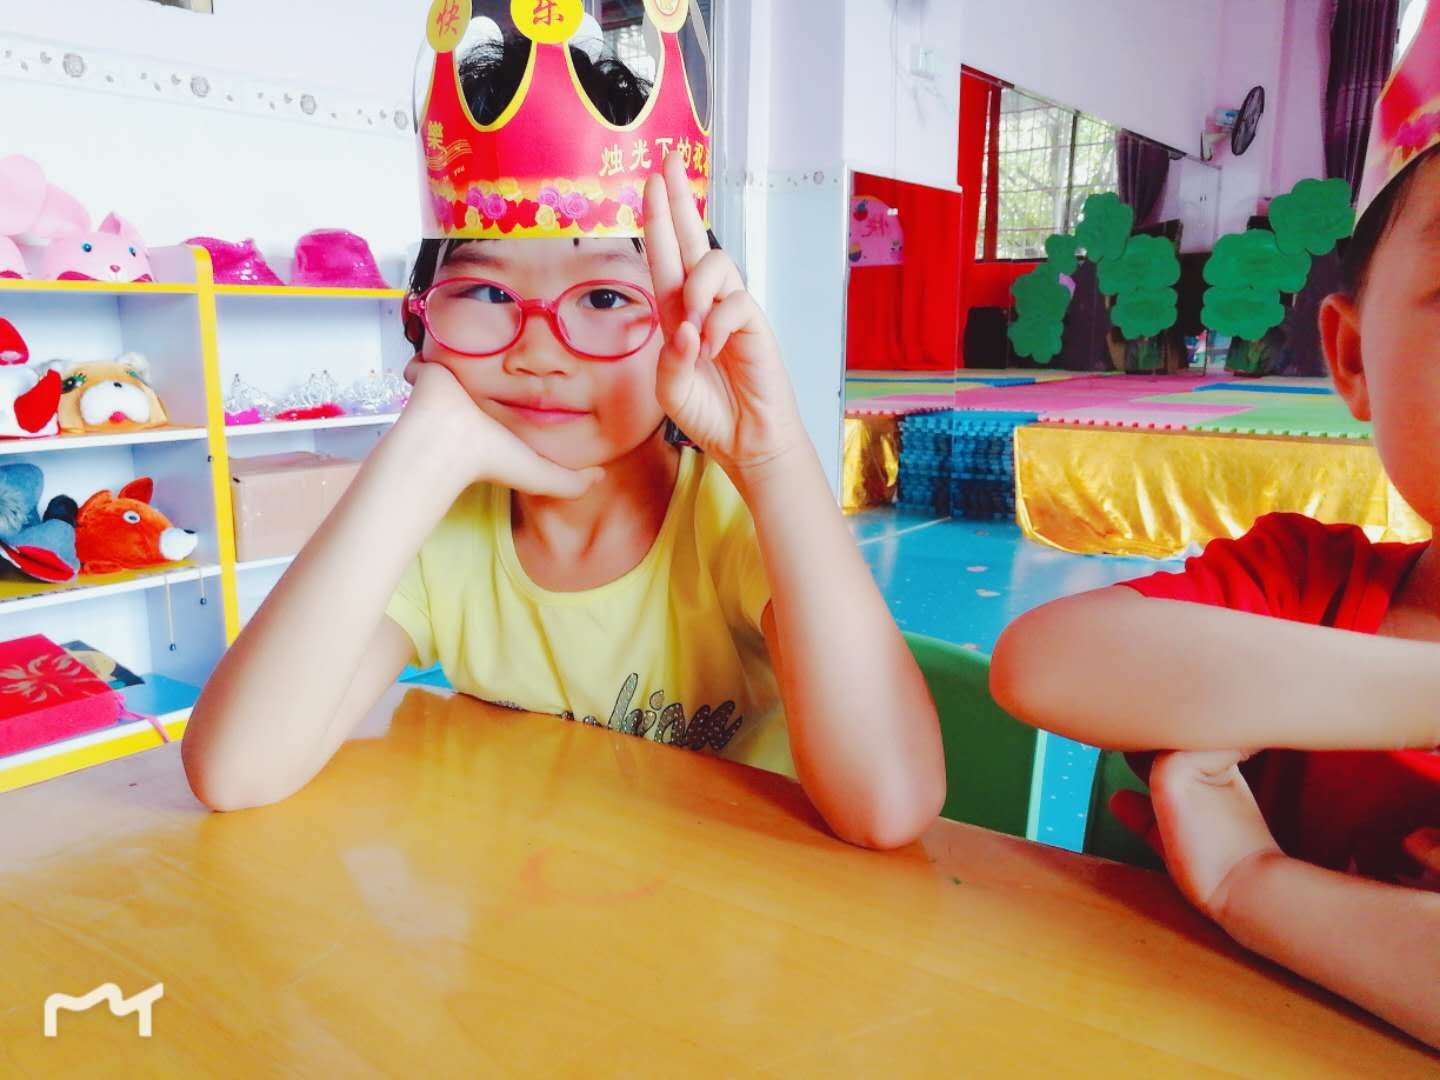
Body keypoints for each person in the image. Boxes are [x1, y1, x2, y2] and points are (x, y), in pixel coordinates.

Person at [182, 31, 944, 851]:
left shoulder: (728, 520)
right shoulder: (445, 528)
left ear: (689, 321)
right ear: (419, 318)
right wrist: (418, 452)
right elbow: (236, 771)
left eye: (607, 298)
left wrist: (772, 458)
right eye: (485, 291)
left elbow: (889, 806)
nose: (538, 352)